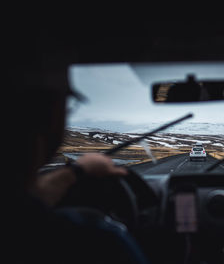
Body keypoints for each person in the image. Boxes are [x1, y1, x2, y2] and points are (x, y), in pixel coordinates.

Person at [3, 32, 148, 264]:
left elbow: (21, 205)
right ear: (47, 115)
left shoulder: (13, 219)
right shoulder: (99, 243)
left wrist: (76, 172)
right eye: (66, 105)